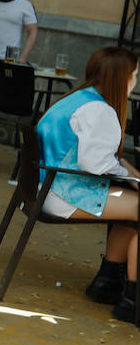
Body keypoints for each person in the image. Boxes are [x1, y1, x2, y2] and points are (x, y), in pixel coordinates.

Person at [38, 47, 140, 323]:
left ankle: (107, 284)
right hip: (66, 194)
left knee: (131, 205)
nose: (135, 81)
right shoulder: (100, 110)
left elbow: (100, 157)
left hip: (47, 188)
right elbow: (96, 165)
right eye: (134, 75)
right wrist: (131, 177)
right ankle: (131, 301)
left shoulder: (77, 98)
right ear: (120, 77)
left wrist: (129, 171)